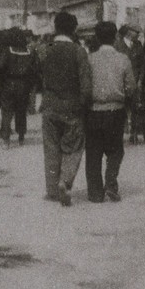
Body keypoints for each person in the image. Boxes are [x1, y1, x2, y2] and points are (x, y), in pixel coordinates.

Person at [39, 12, 92, 206]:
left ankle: (52, 190)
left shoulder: (45, 49)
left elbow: (40, 77)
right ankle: (65, 182)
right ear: (74, 29)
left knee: (51, 148)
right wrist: (83, 103)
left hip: (50, 105)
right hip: (72, 106)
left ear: (55, 27)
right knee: (73, 147)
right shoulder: (79, 51)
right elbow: (85, 83)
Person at [85, 22, 136, 203]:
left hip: (93, 111)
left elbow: (84, 86)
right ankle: (111, 184)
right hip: (116, 110)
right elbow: (131, 88)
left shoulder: (90, 59)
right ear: (115, 37)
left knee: (93, 152)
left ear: (97, 38)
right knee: (115, 150)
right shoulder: (124, 59)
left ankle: (95, 193)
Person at [0, 27, 38, 148]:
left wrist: (2, 80)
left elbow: (0, 67)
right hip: (23, 84)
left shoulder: (7, 50)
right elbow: (34, 70)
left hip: (9, 83)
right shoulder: (29, 52)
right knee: (21, 110)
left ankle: (6, 140)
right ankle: (21, 136)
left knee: (7, 111)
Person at [114, 24, 145, 144]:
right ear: (128, 32)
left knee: (135, 109)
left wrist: (140, 80)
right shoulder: (117, 45)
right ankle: (119, 134)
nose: (138, 34)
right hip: (121, 83)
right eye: (135, 31)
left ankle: (134, 134)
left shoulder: (138, 45)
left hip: (135, 83)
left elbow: (142, 64)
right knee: (120, 109)